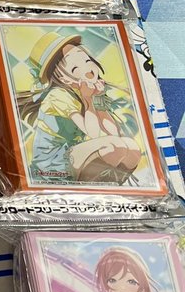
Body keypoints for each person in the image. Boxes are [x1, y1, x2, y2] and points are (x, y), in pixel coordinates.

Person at [19, 32, 144, 186]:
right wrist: (88, 100)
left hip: (74, 152)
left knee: (132, 148)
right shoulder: (57, 96)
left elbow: (113, 132)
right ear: (63, 78)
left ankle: (110, 188)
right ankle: (88, 189)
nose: (88, 68)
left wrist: (97, 98)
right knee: (113, 147)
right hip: (52, 162)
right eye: (75, 67)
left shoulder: (85, 89)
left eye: (86, 60)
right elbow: (92, 133)